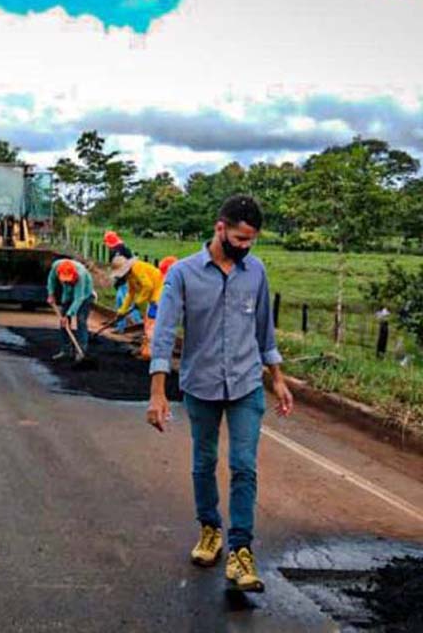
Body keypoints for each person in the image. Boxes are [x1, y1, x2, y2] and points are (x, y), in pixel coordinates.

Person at [146, 195, 294, 593]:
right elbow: (164, 334)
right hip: (202, 384)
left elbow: (265, 330)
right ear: (220, 228)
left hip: (246, 383)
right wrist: (158, 391)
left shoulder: (255, 271)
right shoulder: (183, 274)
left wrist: (277, 378)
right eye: (240, 238)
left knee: (244, 465)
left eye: (251, 241)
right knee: (204, 460)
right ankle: (210, 528)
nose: (245, 246)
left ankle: (241, 550)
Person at [111, 255, 163, 360]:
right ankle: (146, 347)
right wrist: (121, 311)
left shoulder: (137, 268)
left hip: (159, 295)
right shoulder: (130, 277)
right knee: (148, 321)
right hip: (151, 297)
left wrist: (138, 302)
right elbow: (130, 294)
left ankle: (153, 352)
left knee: (151, 322)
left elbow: (148, 286)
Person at [46, 258, 97, 361]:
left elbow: (79, 298)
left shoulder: (81, 275)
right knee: (63, 322)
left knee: (81, 320)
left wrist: (68, 315)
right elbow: (51, 280)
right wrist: (51, 294)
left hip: (85, 295)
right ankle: (66, 350)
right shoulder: (56, 266)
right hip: (68, 294)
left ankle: (81, 351)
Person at [104, 231, 142, 332]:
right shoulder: (116, 250)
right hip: (121, 281)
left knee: (127, 303)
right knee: (119, 303)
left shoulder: (121, 250)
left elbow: (129, 266)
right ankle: (121, 327)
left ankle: (138, 326)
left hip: (127, 281)